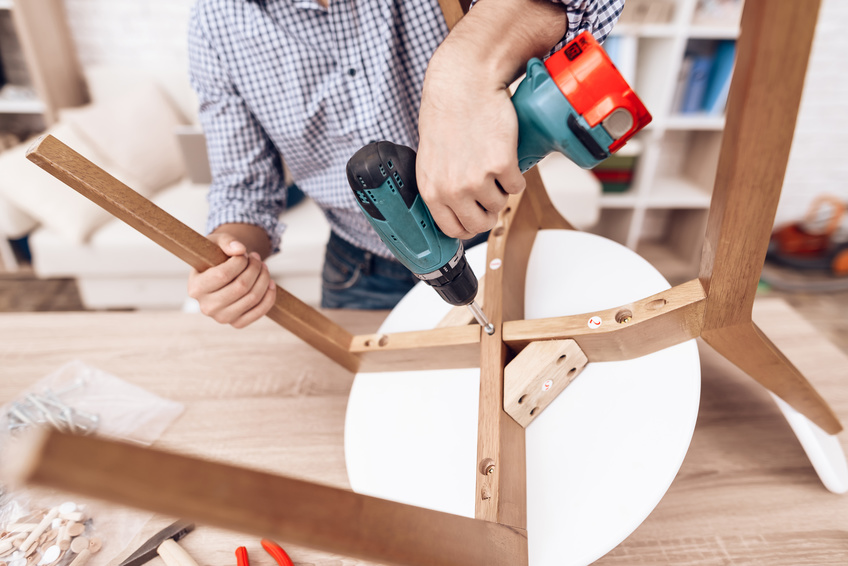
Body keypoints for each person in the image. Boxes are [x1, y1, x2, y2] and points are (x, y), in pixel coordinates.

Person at [187, 0, 625, 328]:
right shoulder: (215, 24)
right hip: (359, 273)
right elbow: (243, 193)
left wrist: (460, 70)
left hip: (504, 238)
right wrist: (229, 257)